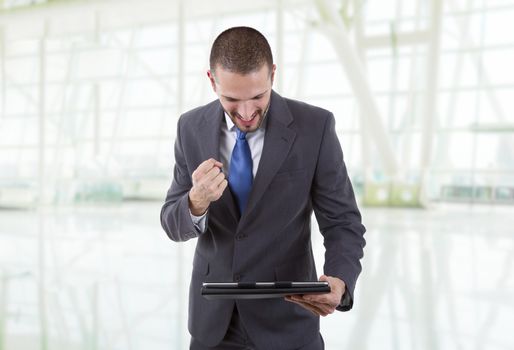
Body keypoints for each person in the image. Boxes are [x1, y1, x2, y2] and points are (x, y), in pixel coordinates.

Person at [161, 26, 366, 350]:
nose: (245, 113)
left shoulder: (315, 127)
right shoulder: (190, 127)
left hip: (288, 321)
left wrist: (339, 279)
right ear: (212, 81)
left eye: (257, 97)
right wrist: (195, 201)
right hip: (213, 324)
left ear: (272, 74)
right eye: (231, 99)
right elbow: (171, 222)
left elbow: (342, 221)